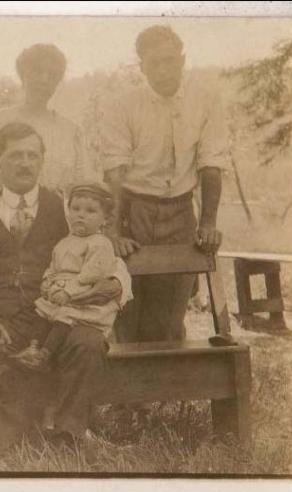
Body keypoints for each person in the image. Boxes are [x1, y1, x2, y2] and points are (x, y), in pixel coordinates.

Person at [0, 122, 132, 450]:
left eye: (33, 155)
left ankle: (68, 433)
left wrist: (113, 285)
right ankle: (16, 436)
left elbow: (110, 261)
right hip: (6, 322)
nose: (25, 163)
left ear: (42, 160)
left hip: (58, 319)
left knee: (88, 342)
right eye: (16, 155)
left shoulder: (67, 209)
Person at [100, 25, 229, 342]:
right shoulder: (122, 105)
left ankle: (170, 389)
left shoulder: (206, 100)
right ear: (141, 66)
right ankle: (131, 390)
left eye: (169, 61)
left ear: (182, 60)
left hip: (181, 212)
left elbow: (211, 163)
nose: (162, 70)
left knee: (170, 316)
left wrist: (209, 222)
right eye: (153, 63)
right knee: (128, 310)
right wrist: (114, 231)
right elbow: (114, 172)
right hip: (133, 211)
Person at [0, 43, 95, 208]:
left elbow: (82, 185)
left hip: (56, 219)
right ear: (23, 76)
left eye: (52, 75)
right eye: (37, 72)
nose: (44, 79)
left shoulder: (71, 130)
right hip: (4, 218)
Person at [14, 182, 121, 373]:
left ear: (104, 219)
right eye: (75, 209)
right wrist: (47, 282)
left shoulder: (100, 244)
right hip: (59, 291)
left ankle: (44, 355)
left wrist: (68, 292)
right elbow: (53, 266)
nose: (81, 215)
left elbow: (91, 275)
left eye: (90, 211)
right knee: (42, 311)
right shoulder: (65, 242)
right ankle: (33, 346)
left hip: (82, 297)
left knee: (63, 317)